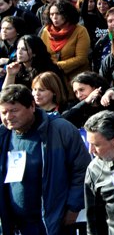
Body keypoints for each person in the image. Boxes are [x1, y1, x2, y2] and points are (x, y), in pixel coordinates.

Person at [0, 84, 91, 235]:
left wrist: (73, 207)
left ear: (32, 107)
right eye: (4, 112)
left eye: (14, 110)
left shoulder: (60, 129)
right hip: (18, 225)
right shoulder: (4, 136)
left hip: (54, 221)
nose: (8, 116)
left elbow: (82, 170)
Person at [40, 0, 91, 88]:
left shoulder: (80, 31)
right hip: (53, 81)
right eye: (52, 14)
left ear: (67, 14)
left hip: (76, 81)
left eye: (58, 13)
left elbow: (81, 58)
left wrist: (55, 66)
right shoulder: (46, 31)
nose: (54, 17)